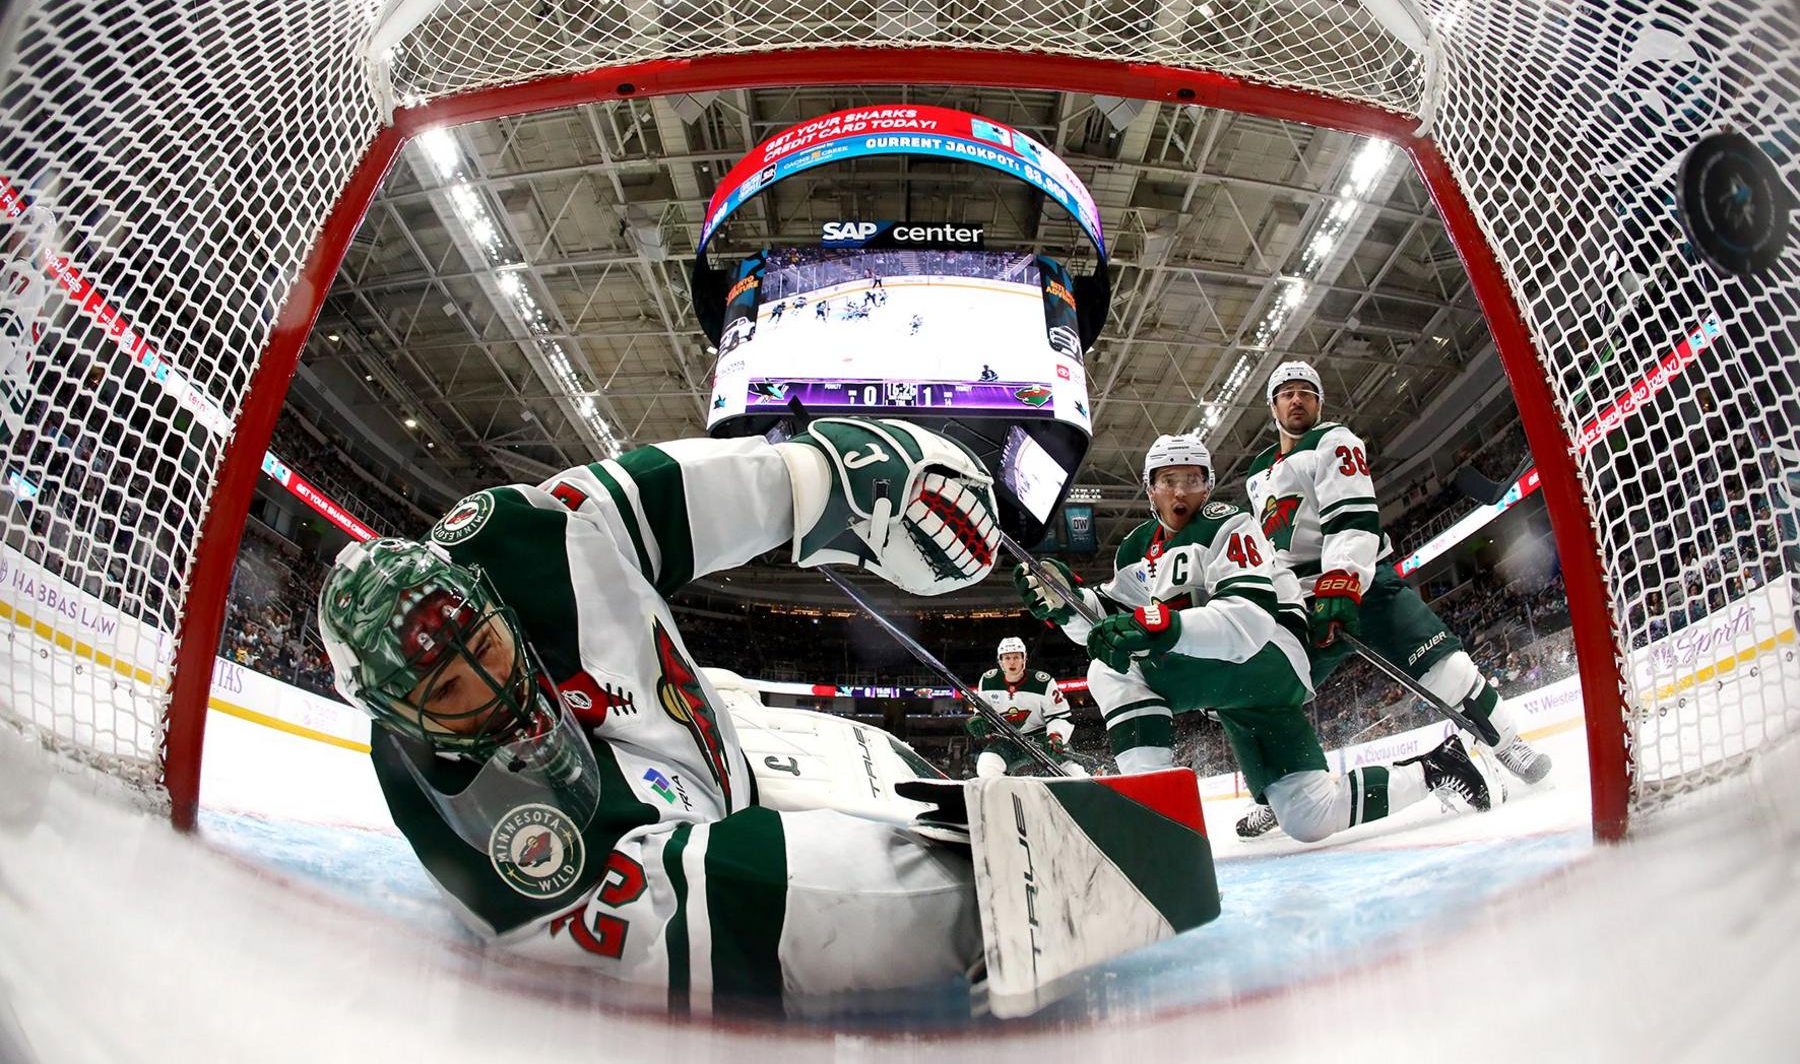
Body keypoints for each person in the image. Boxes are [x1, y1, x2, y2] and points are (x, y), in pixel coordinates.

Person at [318, 419, 1005, 1012]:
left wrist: (816, 478)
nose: (491, 682)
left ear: (484, 594)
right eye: (446, 691)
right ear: (399, 718)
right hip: (676, 830)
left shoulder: (516, 542)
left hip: (721, 753)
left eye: (484, 639)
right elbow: (702, 910)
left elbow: (642, 497)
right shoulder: (459, 822)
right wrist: (975, 903)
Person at [1013, 433, 1491, 845]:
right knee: (1308, 815)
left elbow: (1248, 623)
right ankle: (1436, 768)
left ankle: (1153, 817)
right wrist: (1067, 603)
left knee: (1114, 667)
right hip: (1239, 695)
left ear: (1209, 486)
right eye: (1168, 481)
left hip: (1270, 657)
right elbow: (1105, 621)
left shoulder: (1228, 523)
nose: (1182, 491)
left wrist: (1160, 627)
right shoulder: (1136, 548)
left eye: (1193, 480)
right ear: (1150, 488)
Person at [1237, 361, 1550, 837]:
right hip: (1298, 599)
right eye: (1287, 393)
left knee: (1448, 667)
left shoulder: (1334, 441)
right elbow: (1268, 547)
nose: (1296, 400)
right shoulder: (1258, 475)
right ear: (1273, 406)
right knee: (1263, 695)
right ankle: (1276, 793)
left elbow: (1353, 519)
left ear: (1319, 403)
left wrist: (1340, 583)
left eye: (1306, 393)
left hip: (1360, 583)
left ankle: (1507, 744)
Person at [965, 636, 1087, 778]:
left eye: (1016, 657)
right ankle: (1010, 795)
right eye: (1007, 658)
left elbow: (1059, 716)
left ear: (1024, 658)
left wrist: (1056, 736)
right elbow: (982, 712)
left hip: (1042, 738)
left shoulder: (1043, 682)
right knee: (986, 765)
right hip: (1007, 740)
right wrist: (977, 720)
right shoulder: (988, 681)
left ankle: (1091, 790)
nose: (1012, 662)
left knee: (1073, 772)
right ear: (1000, 661)